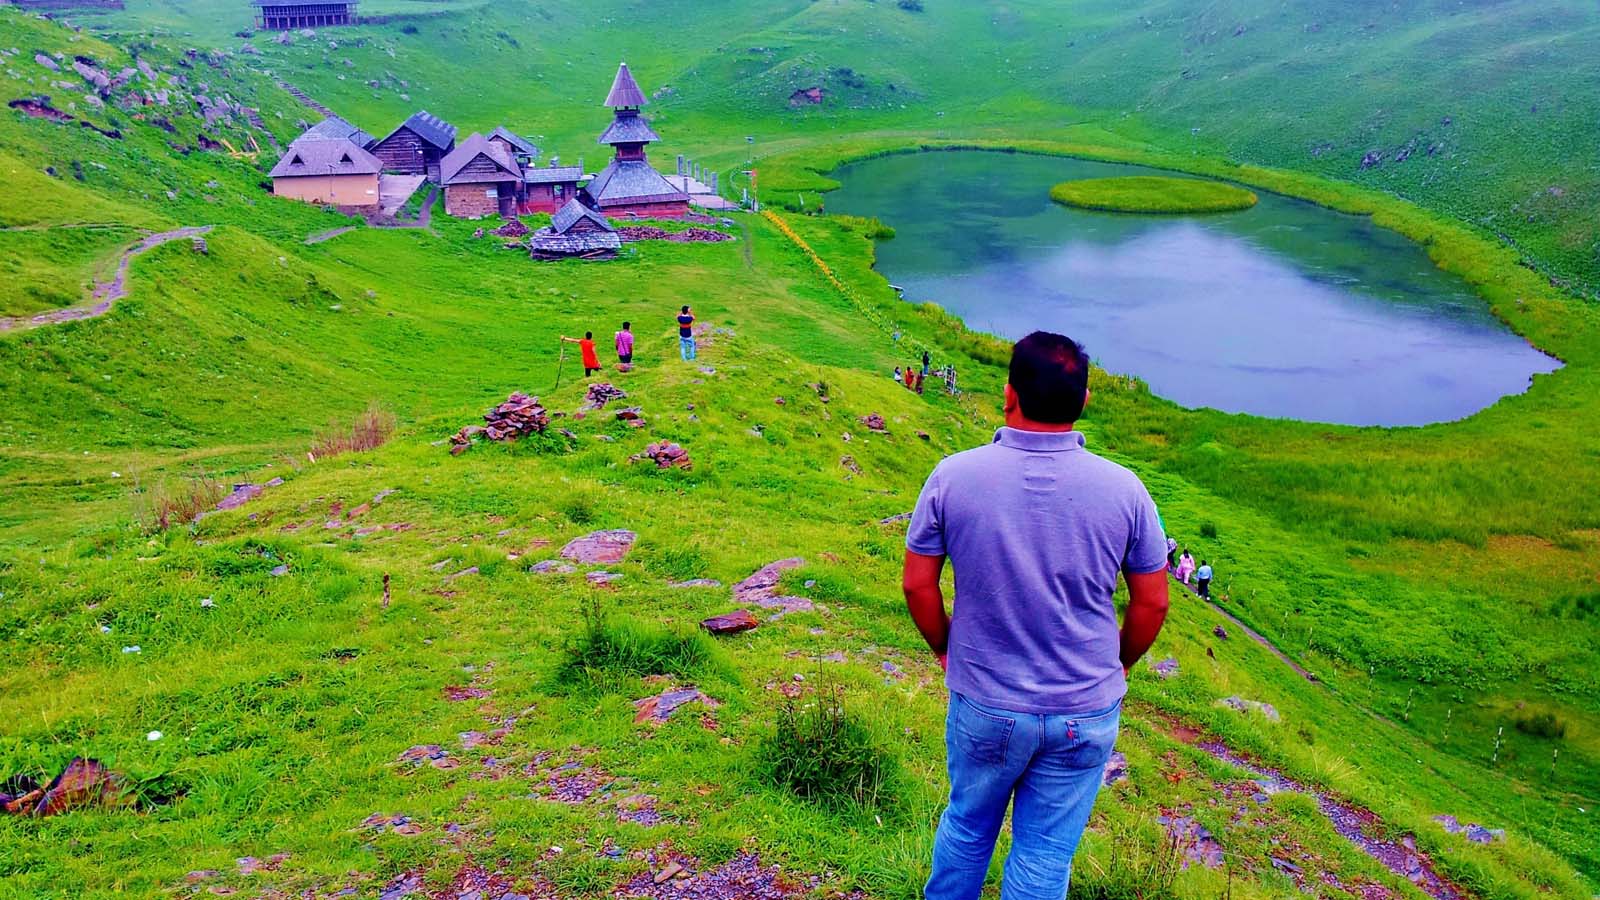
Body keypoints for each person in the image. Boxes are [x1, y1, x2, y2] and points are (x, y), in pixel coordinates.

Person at [902, 330, 1170, 900]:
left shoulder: (953, 476)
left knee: (968, 826)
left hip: (985, 698)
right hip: (1085, 708)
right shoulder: (1126, 490)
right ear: (1084, 401)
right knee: (1045, 855)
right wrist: (1118, 664)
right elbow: (1153, 600)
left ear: (1008, 394)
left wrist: (944, 647)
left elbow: (917, 583)